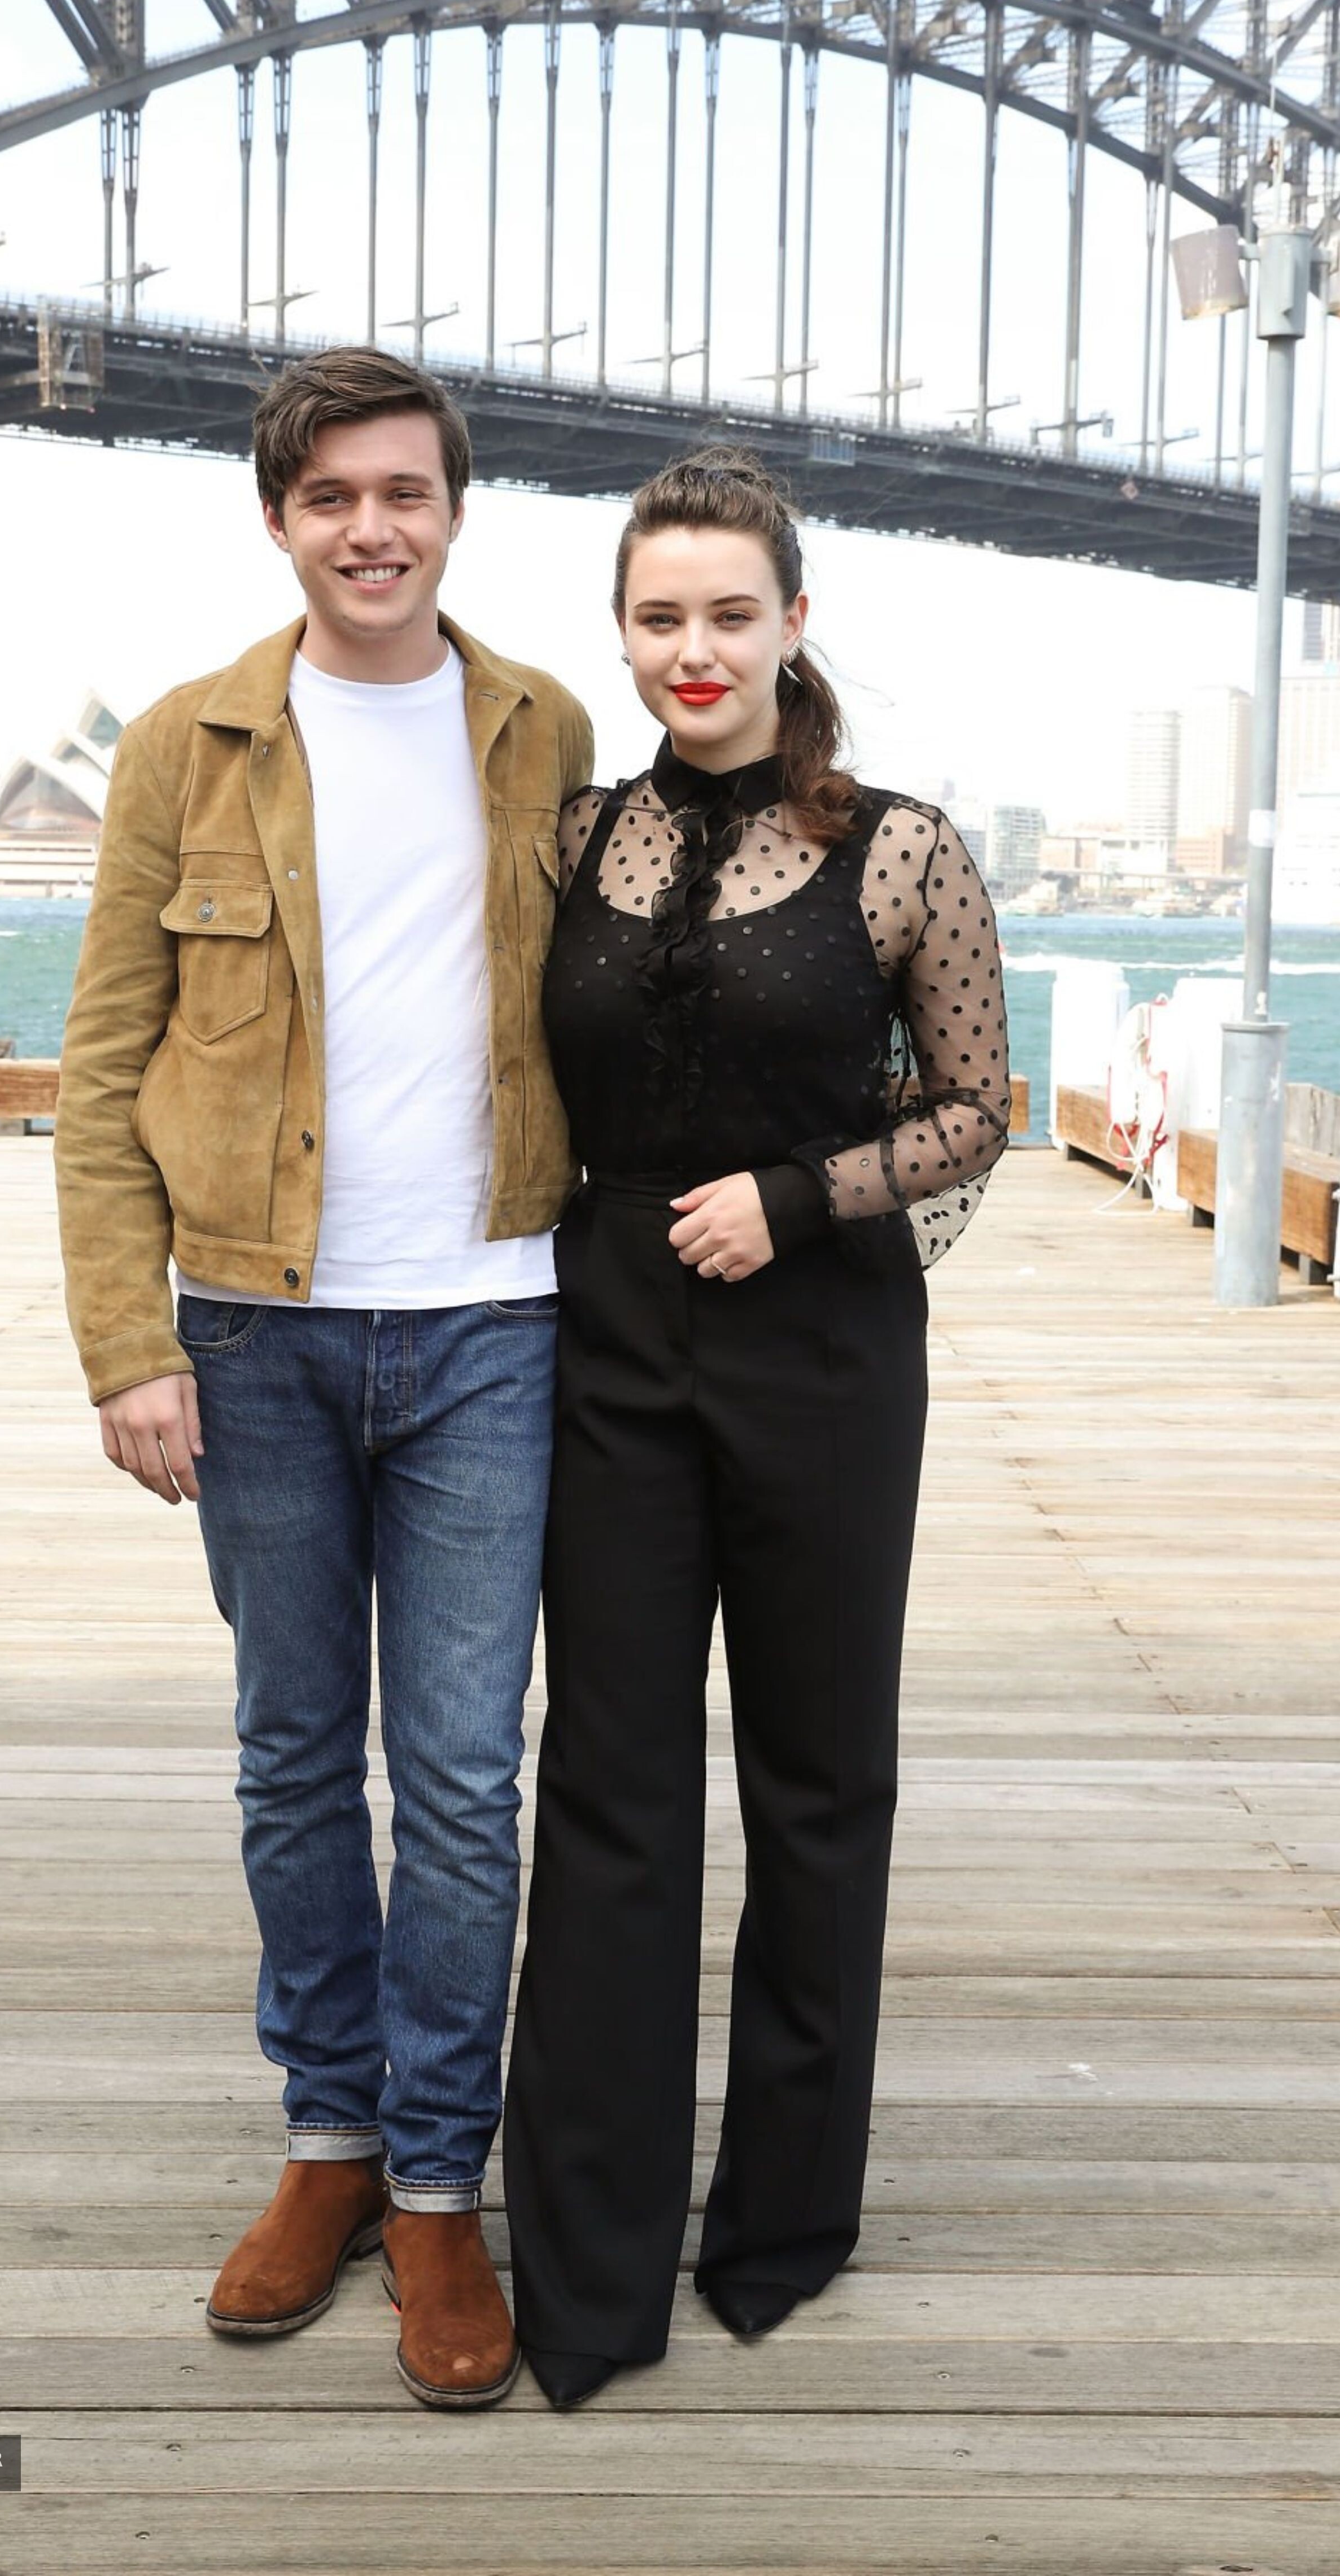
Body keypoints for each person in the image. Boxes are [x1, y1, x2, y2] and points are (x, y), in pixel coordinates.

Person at [53, 346, 593, 2412]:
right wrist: (126, 1343)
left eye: (405, 492)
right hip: (253, 1328)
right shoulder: (184, 743)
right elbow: (103, 1065)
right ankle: (330, 2136)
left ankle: (439, 2177)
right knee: (293, 1754)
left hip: (493, 1322)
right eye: (332, 496)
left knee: (458, 1774)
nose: (373, 528)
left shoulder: (543, 725)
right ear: (278, 518)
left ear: (454, 510)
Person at [501, 446, 1011, 2408]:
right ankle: (588, 2253)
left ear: (794, 623)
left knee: (815, 1782)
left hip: (823, 1352)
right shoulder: (576, 838)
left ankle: (783, 2219)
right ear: (621, 636)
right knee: (607, 1784)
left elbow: (976, 1107)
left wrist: (795, 1197)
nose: (693, 649)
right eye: (658, 618)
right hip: (609, 1345)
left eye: (729, 613)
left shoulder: (899, 849)